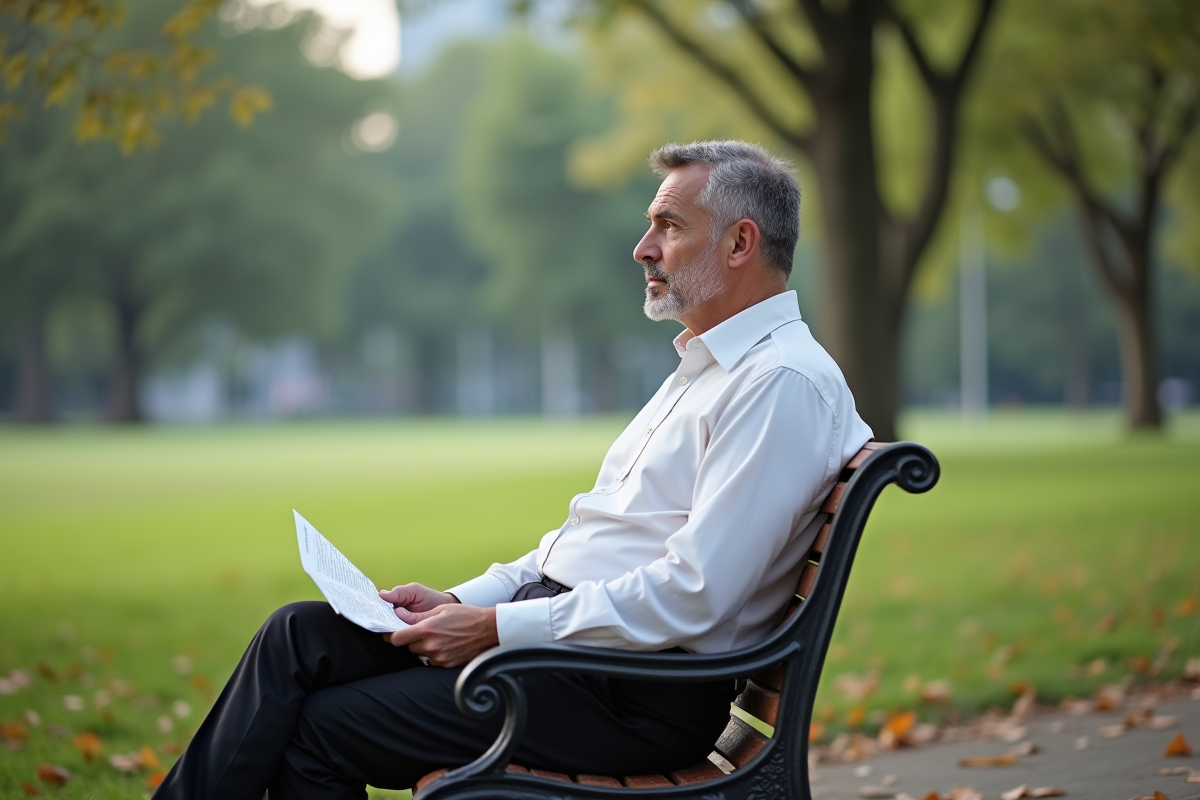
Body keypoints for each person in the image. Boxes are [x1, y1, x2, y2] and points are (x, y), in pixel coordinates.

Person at [153, 140, 872, 800]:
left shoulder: (779, 383)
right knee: (299, 636)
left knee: (321, 727)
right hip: (574, 656)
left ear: (741, 241)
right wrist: (456, 602)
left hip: (629, 690)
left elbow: (698, 594)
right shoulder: (710, 366)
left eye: (669, 227)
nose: (642, 248)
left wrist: (498, 628)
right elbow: (577, 546)